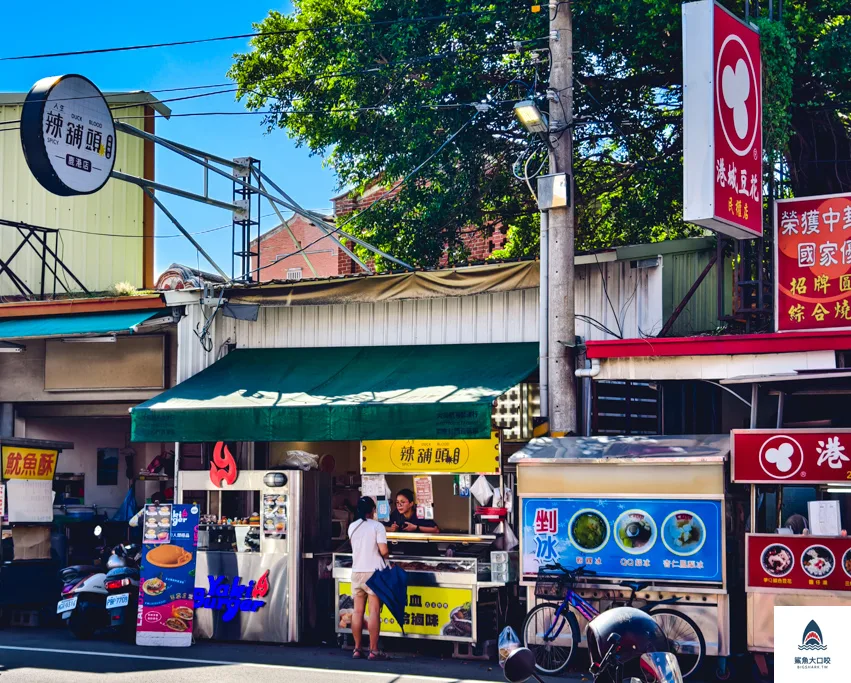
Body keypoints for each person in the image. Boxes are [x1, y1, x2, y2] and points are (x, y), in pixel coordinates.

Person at [348, 496, 390, 661]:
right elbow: (384, 550)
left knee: (357, 611)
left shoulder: (352, 526)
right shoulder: (377, 526)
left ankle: (357, 649)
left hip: (357, 572)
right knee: (373, 611)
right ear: (372, 510)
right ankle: (373, 651)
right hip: (374, 573)